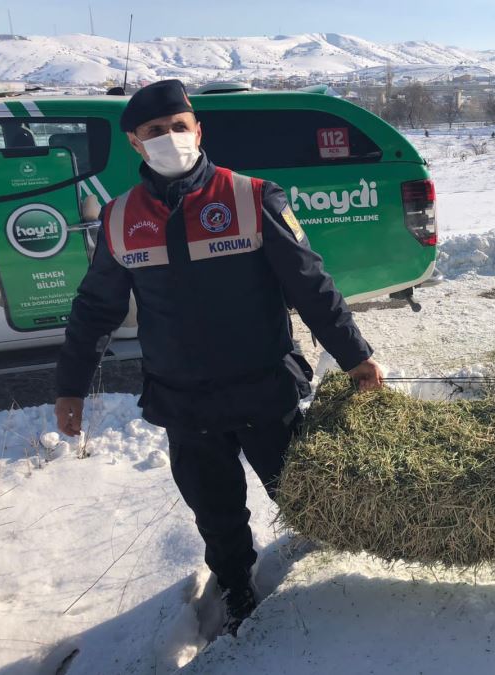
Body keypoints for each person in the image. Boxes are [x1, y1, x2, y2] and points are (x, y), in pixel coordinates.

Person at [53, 79, 383, 636]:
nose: (170, 138)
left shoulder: (252, 197)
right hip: (185, 404)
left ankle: (333, 590)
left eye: (179, 126)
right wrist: (70, 387)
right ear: (136, 142)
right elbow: (93, 310)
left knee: (303, 492)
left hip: (264, 390)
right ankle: (235, 589)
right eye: (155, 131)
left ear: (198, 130)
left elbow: (311, 286)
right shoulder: (118, 219)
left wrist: (356, 357)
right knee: (217, 515)